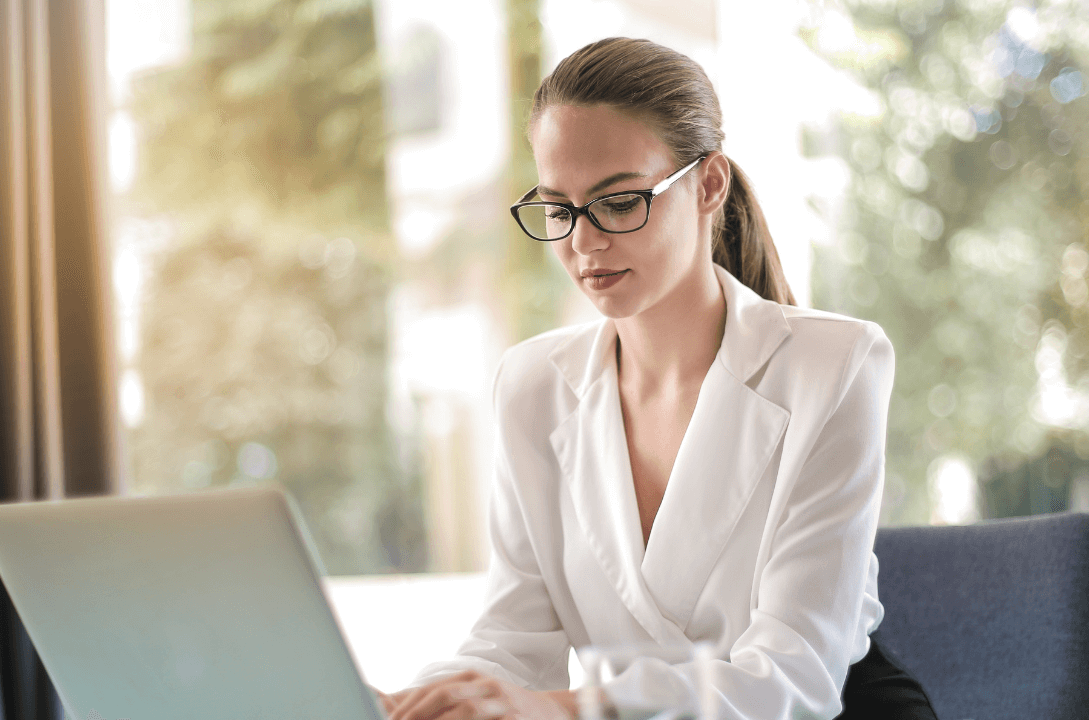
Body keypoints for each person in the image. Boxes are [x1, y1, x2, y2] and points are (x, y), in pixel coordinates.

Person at [380, 37, 937, 720]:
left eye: (618, 203)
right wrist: (415, 703)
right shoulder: (532, 385)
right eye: (559, 210)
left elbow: (793, 679)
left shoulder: (836, 365)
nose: (583, 243)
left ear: (708, 185)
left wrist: (564, 710)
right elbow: (511, 640)